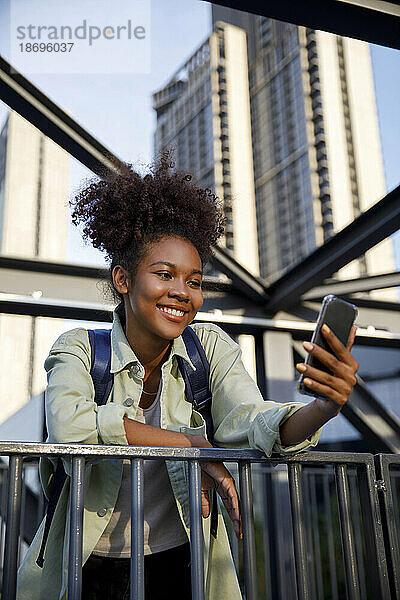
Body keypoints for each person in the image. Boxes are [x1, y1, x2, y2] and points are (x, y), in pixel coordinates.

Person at [17, 152, 359, 600]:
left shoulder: (210, 348)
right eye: (165, 274)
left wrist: (323, 408)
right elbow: (70, 426)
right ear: (122, 278)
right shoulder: (78, 348)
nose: (182, 292)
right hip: (83, 568)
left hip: (181, 563)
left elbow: (253, 420)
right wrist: (187, 444)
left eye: (195, 281)